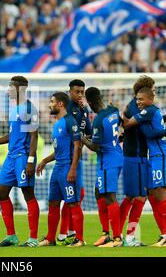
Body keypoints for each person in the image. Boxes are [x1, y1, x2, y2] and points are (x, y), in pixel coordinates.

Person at [0, 76, 40, 247]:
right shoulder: (15, 109)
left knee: (28, 194)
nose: (8, 90)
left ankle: (33, 239)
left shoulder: (29, 109)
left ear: (20, 89)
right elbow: (12, 135)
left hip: (23, 157)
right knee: (2, 193)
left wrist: (30, 160)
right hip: (11, 157)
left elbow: (34, 136)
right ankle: (11, 236)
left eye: (11, 87)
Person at [122, 87, 166, 247]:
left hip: (161, 155)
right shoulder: (151, 112)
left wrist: (121, 116)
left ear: (150, 98)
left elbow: (148, 133)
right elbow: (150, 129)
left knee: (160, 194)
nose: (138, 102)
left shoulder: (149, 110)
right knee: (152, 195)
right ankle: (164, 234)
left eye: (141, 99)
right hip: (154, 156)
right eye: (137, 99)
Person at [36, 92, 85, 247]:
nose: (49, 104)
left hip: (67, 168)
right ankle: (50, 238)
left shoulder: (70, 121)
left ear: (60, 104)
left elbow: (78, 146)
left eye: (51, 101)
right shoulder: (57, 124)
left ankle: (80, 239)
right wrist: (44, 160)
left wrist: (73, 169)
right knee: (53, 203)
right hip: (57, 169)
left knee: (73, 203)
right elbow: (58, 152)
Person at [82, 87, 123, 247]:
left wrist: (82, 139)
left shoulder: (98, 120)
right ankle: (105, 233)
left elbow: (95, 147)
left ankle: (117, 238)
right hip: (114, 156)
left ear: (90, 102)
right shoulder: (114, 109)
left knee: (109, 196)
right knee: (98, 193)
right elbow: (120, 124)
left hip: (108, 160)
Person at [57, 79, 91, 245]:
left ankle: (67, 232)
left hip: (78, 157)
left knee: (77, 196)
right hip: (68, 158)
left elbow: (88, 132)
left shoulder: (82, 110)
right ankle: (65, 233)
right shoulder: (68, 110)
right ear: (70, 91)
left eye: (82, 92)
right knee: (72, 198)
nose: (80, 95)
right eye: (77, 91)